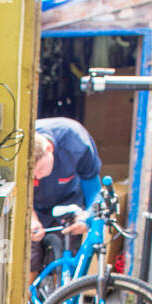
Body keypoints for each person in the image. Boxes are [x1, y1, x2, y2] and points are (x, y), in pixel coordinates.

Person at [29, 117, 103, 279]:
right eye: (32, 175)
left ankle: (61, 298)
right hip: (33, 209)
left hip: (68, 206)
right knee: (28, 263)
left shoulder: (75, 142)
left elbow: (94, 190)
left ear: (49, 148)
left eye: (40, 169)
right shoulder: (20, 146)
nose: (37, 178)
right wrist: (31, 218)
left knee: (65, 268)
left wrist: (87, 217)